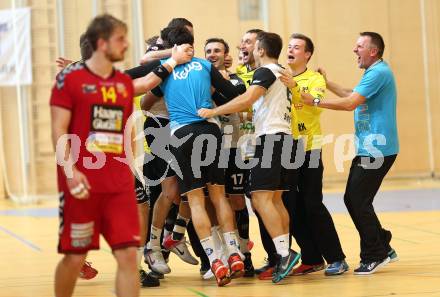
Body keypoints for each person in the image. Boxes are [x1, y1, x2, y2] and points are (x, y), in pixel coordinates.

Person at [50, 14, 191, 297]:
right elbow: (58, 129)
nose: (126, 44)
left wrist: (174, 60)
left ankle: (146, 252)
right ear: (102, 43)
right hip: (83, 180)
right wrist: (70, 171)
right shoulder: (70, 81)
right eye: (120, 39)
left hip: (118, 181)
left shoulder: (120, 81)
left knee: (127, 256)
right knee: (75, 256)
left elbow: (144, 83)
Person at [199, 31, 300, 284]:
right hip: (284, 138)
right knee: (275, 199)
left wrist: (214, 110)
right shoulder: (280, 72)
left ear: (262, 50)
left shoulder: (265, 71)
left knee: (259, 197)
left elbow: (247, 98)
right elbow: (254, 105)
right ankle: (286, 253)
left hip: (271, 139)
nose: (250, 50)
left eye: (254, 47)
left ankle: (284, 254)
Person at [301, 31, 399, 275]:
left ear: (373, 51)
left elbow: (349, 104)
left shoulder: (378, 73)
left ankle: (374, 254)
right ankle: (383, 243)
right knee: (355, 198)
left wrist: (313, 101)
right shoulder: (373, 73)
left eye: (359, 46)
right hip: (370, 147)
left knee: (357, 199)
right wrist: (327, 82)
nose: (355, 50)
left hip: (378, 149)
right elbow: (349, 94)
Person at [280, 33, 348, 276]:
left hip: (309, 147)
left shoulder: (315, 78)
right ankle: (311, 257)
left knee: (312, 204)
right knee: (290, 205)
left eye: (297, 47)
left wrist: (294, 86)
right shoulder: (280, 77)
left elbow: (313, 101)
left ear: (307, 54)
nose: (291, 50)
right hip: (286, 149)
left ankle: (337, 258)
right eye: (289, 47)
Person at [204, 37, 255, 277]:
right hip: (210, 148)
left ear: (225, 55)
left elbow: (238, 101)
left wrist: (222, 80)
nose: (212, 54)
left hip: (233, 147)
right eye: (208, 51)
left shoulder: (236, 79)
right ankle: (221, 253)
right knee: (213, 201)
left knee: (236, 200)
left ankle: (244, 252)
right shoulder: (199, 78)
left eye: (217, 50)